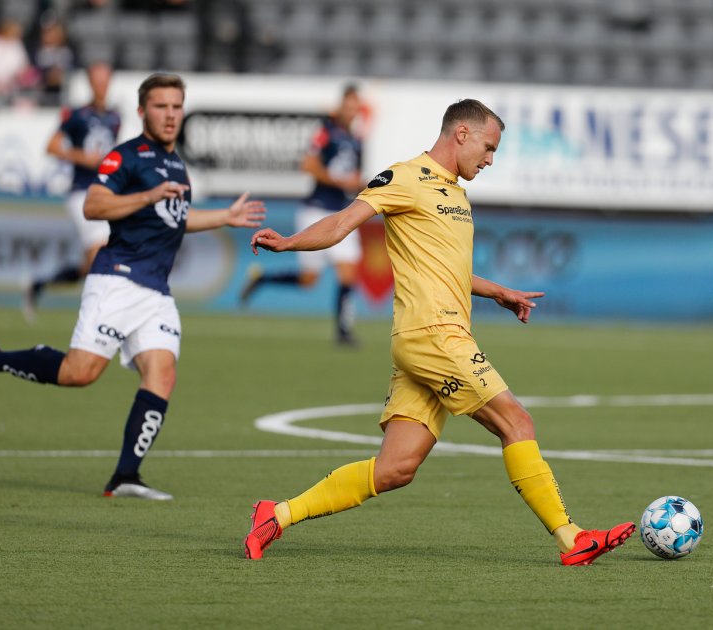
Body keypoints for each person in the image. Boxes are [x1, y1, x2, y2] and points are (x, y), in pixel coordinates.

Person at [243, 99, 634, 566]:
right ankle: (572, 538)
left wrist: (499, 292)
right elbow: (343, 222)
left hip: (425, 341)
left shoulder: (457, 195)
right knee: (517, 422)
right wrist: (289, 242)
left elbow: (451, 270)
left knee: (395, 469)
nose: (490, 160)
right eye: (489, 148)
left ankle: (276, 515)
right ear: (462, 134)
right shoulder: (405, 178)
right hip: (434, 334)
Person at [0, 73, 266, 500]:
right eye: (161, 107)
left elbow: (174, 220)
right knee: (80, 374)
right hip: (117, 280)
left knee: (161, 373)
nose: (170, 115)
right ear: (141, 112)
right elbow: (94, 205)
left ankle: (125, 476)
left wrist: (223, 217)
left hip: (156, 292)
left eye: (176, 107)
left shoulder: (174, 163)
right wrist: (145, 197)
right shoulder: (125, 157)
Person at [240, 85, 366, 346]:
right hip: (316, 210)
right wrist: (341, 181)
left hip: (343, 213)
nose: (352, 111)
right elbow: (308, 164)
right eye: (349, 105)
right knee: (310, 280)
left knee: (348, 272)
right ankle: (261, 278)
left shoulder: (357, 141)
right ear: (341, 105)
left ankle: (343, 331)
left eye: (356, 106)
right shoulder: (326, 132)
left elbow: (354, 179)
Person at [24, 62, 120, 322]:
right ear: (90, 83)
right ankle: (97, 318)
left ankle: (39, 285)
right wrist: (82, 157)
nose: (102, 85)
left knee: (93, 264)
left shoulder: (114, 117)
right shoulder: (77, 115)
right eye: (97, 80)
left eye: (105, 80)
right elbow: (52, 146)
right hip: (82, 194)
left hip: (106, 194)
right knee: (102, 256)